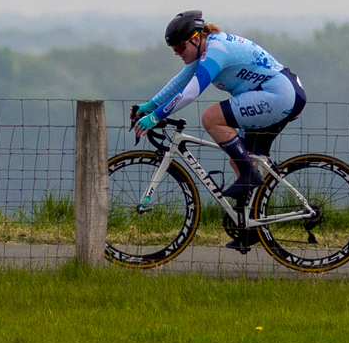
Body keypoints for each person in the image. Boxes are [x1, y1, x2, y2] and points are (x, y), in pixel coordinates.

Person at [131, 11, 306, 205]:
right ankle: (249, 229)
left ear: (196, 39)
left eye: (180, 47)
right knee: (240, 160)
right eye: (174, 49)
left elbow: (190, 93)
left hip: (279, 95)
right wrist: (149, 105)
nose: (178, 53)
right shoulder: (207, 49)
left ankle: (249, 175)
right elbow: (181, 81)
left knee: (211, 118)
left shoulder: (217, 50)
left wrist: (154, 117)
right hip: (284, 94)